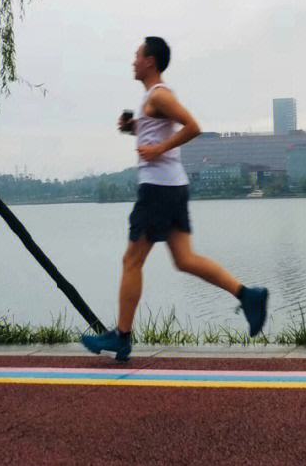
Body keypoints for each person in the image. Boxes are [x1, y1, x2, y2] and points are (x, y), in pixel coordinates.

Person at [82, 36, 268, 361]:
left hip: (157, 189)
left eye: (137, 55)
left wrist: (156, 149)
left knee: (131, 261)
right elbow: (158, 129)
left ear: (150, 61)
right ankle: (248, 295)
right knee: (184, 259)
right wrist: (134, 128)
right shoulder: (151, 101)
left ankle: (122, 337)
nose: (133, 61)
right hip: (172, 187)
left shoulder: (160, 95)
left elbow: (193, 126)